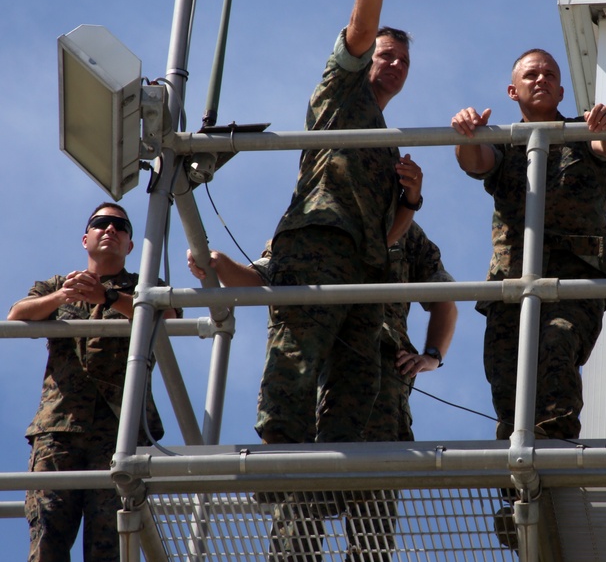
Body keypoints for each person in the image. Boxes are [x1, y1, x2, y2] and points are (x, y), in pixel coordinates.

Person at [188, 220, 456, 561]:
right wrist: (217, 264)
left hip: (378, 372)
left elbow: (444, 299)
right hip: (309, 368)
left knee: (372, 487)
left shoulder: (403, 228)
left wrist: (432, 356)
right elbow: (258, 282)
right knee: (299, 488)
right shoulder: (304, 222)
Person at [256, 0, 423, 450]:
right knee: (297, 361)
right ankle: (280, 466)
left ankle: (333, 477)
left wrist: (412, 201)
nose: (395, 64)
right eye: (386, 55)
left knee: (359, 382)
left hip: (368, 264)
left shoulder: (388, 143)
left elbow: (392, 233)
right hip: (319, 244)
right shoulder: (340, 92)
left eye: (403, 60)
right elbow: (361, 29)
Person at [451, 48, 606, 442]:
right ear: (513, 92)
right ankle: (516, 488)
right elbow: (476, 162)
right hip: (512, 281)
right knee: (504, 373)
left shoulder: (583, 131)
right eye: (531, 75)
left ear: (561, 91)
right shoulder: (505, 142)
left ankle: (555, 456)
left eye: (549, 74)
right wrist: (466, 133)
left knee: (557, 344)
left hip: (576, 276)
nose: (541, 79)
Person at [9, 203, 176, 562]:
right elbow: (17, 315)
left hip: (120, 431)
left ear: (130, 245)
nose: (110, 230)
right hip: (58, 430)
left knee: (109, 545)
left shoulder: (146, 288)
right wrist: (64, 297)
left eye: (120, 226)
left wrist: (108, 298)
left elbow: (171, 315)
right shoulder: (57, 285)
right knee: (47, 542)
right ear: (86, 238)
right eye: (101, 223)